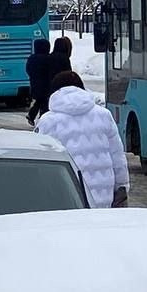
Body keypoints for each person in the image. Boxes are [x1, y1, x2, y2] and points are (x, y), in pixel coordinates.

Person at [36, 70, 129, 208]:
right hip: (104, 199)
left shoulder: (47, 122)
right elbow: (117, 156)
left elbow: (40, 164)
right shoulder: (104, 115)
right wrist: (122, 186)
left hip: (65, 199)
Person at [24, 38, 51, 127]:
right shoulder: (48, 58)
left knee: (39, 100)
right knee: (44, 102)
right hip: (46, 84)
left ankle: (32, 115)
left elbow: (28, 69)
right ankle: (41, 118)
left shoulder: (32, 58)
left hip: (34, 83)